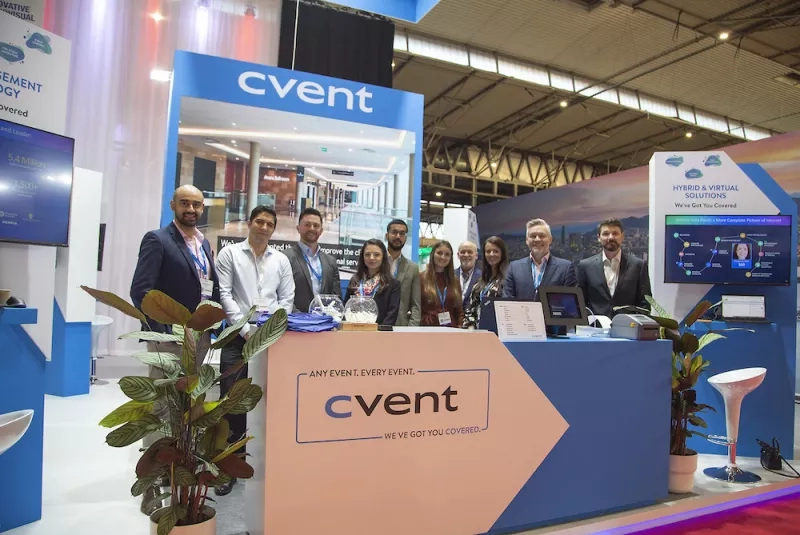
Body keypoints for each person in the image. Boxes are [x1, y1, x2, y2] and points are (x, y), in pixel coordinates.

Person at [130, 184, 219, 515]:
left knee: (187, 408)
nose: (191, 209)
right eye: (184, 203)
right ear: (173, 205)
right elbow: (141, 291)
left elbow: (206, 288)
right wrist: (165, 331)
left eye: (196, 204)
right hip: (168, 339)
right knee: (160, 410)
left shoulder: (203, 243)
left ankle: (176, 471)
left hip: (198, 338)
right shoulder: (157, 240)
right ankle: (151, 483)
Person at [214, 205, 295, 496]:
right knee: (232, 402)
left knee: (271, 402)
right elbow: (225, 295)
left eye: (269, 224)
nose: (263, 227)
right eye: (259, 221)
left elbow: (287, 299)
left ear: (273, 229)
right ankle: (229, 467)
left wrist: (269, 330)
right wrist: (246, 331)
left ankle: (265, 462)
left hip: (272, 340)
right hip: (237, 340)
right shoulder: (230, 254)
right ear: (249, 223)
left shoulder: (281, 260)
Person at [575, 218, 651, 318]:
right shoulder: (585, 266)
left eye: (615, 233)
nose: (611, 237)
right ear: (598, 237)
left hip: (628, 326)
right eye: (606, 234)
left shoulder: (638, 265)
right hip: (595, 326)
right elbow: (579, 302)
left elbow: (645, 304)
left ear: (622, 236)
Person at [504, 218, 576, 300]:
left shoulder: (565, 268)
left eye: (542, 236)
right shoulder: (514, 267)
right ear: (527, 240)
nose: (537, 239)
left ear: (550, 239)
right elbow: (507, 301)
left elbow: (569, 302)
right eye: (533, 236)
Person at [284, 208, 340, 312]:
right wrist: (303, 318)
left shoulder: (330, 262)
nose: (312, 228)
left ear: (321, 231)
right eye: (307, 225)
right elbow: (283, 296)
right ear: (298, 228)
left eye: (316, 225)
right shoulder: (285, 258)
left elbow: (336, 298)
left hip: (324, 320)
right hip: (296, 319)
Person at [344, 239, 400, 325]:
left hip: (379, 331)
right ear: (362, 257)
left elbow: (392, 315)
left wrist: (378, 331)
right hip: (354, 329)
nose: (371, 258)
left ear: (383, 257)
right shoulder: (355, 280)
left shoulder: (393, 284)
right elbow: (346, 308)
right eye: (367, 254)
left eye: (377, 255)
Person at [463, 236, 509, 329]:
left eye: (495, 251)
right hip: (476, 333)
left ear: (502, 254)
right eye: (488, 251)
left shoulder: (508, 279)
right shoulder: (480, 281)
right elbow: (470, 309)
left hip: (497, 331)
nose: (491, 254)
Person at [385, 219, 421, 326]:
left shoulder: (413, 268)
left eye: (402, 233)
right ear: (386, 235)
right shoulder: (376, 263)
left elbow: (416, 304)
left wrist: (412, 328)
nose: (398, 236)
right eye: (394, 232)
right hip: (376, 325)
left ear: (405, 238)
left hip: (401, 326)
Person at [420, 240, 463, 327]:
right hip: (428, 329)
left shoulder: (455, 281)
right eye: (439, 253)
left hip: (451, 330)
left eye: (447, 254)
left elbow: (459, 311)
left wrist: (460, 327)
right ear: (433, 254)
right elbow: (416, 308)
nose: (443, 257)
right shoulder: (421, 278)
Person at [455, 241, 481, 309]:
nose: (466, 255)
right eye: (463, 252)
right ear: (458, 255)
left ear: (476, 256)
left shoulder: (483, 277)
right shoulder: (449, 275)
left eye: (470, 252)